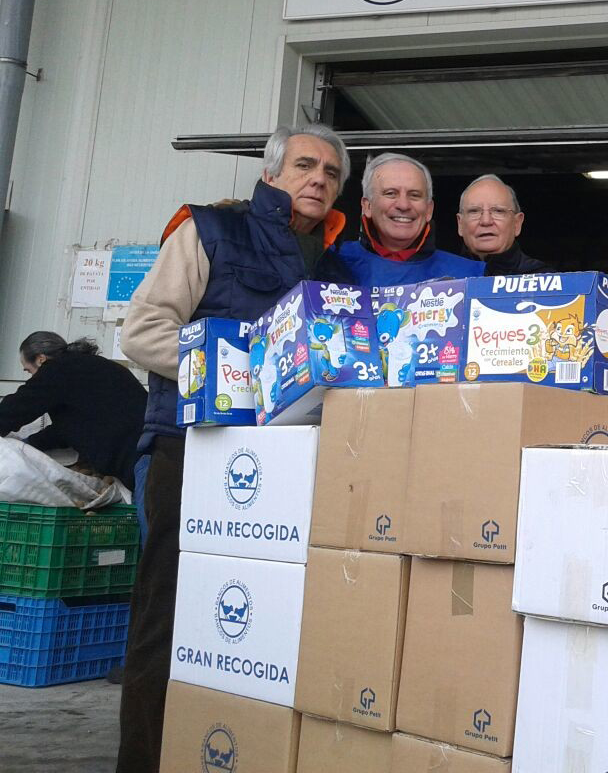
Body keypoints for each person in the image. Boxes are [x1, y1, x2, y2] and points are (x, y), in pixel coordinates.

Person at [116, 123, 353, 773]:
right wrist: (239, 376)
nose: (318, 180)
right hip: (189, 451)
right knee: (166, 621)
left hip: (281, 467)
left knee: (256, 627)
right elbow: (141, 332)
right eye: (305, 165)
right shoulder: (209, 230)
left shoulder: (332, 265)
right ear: (272, 174)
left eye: (332, 173)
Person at [0, 332, 145, 491]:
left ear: (41, 359)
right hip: (150, 448)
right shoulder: (92, 367)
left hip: (138, 457)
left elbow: (17, 407)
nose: (32, 378)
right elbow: (68, 427)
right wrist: (29, 443)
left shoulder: (57, 370)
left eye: (28, 370)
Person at [338, 152, 483, 285]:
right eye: (391, 193)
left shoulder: (471, 276)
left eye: (414, 195)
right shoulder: (332, 262)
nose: (403, 205)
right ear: (367, 206)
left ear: (429, 209)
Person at [457, 173, 551, 275]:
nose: (486, 221)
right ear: (460, 224)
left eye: (498, 211)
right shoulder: (441, 278)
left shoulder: (544, 280)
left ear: (517, 223)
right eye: (474, 211)